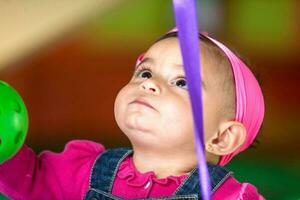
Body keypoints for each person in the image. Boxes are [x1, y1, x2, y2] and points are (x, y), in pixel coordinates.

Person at [0, 30, 265, 200]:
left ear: (222, 138)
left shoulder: (230, 196)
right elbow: (29, 178)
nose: (148, 84)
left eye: (181, 82)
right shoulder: (85, 170)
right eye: (145, 73)